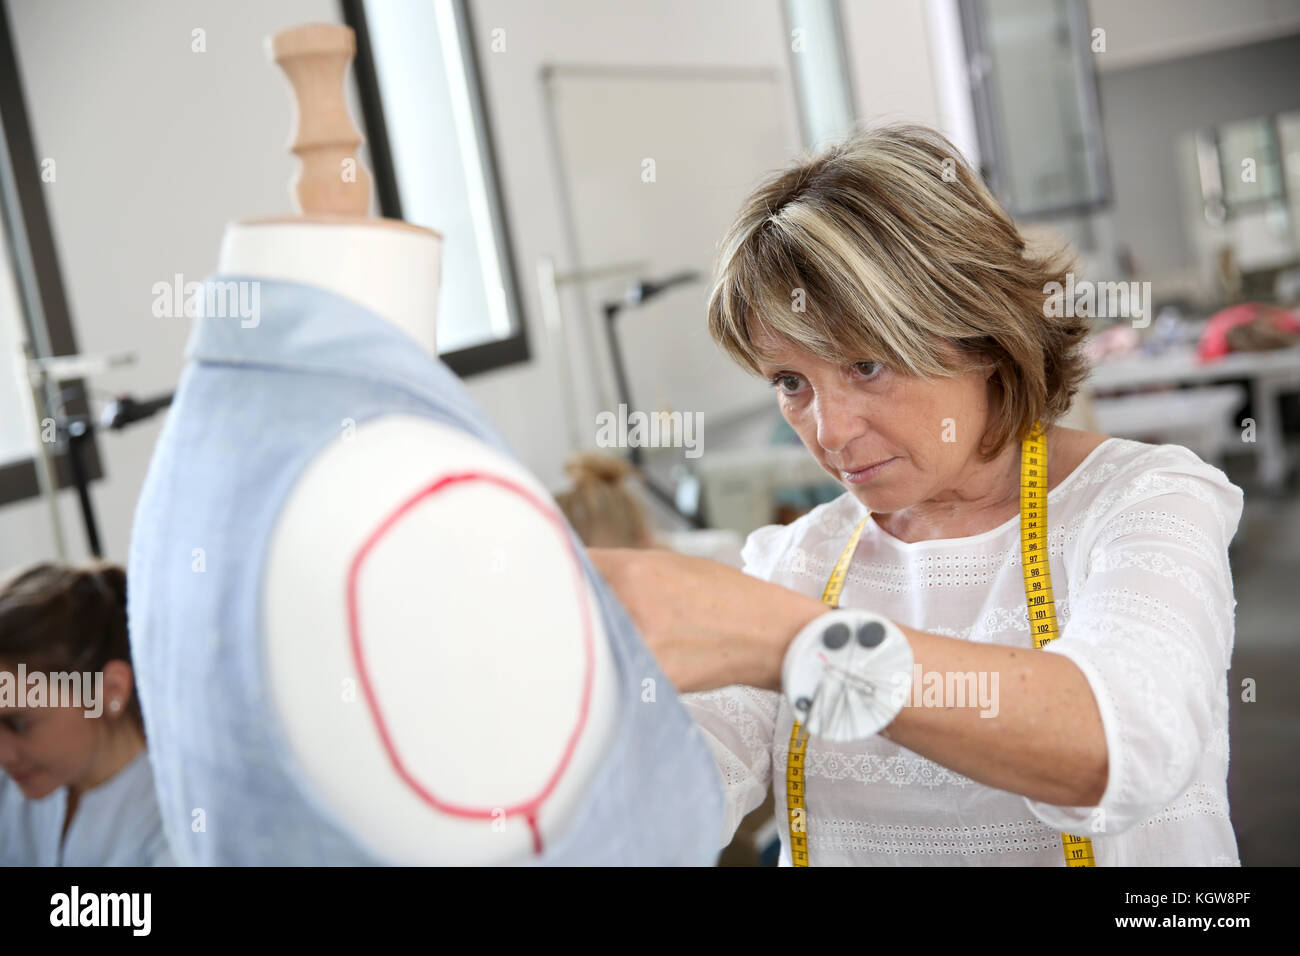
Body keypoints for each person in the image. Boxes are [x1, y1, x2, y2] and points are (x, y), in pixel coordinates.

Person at [590, 124, 1244, 866]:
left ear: (981, 334)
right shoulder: (797, 561)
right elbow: (672, 802)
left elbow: (1119, 746)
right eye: (790, 382)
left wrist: (790, 640)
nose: (829, 431)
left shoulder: (1145, 502)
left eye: (866, 366)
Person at [0, 562, 172, 865]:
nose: (3, 754)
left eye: (18, 724)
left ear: (111, 691)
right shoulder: (15, 785)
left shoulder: (172, 831)